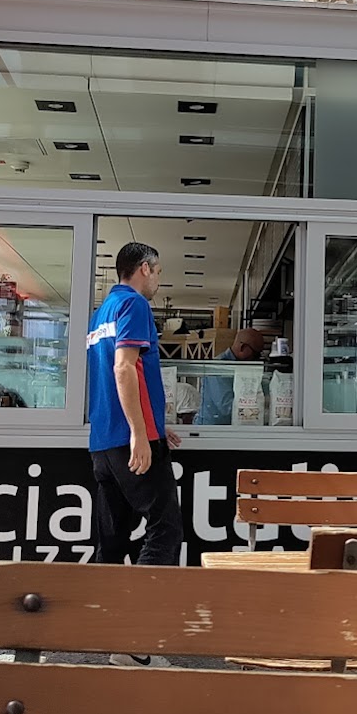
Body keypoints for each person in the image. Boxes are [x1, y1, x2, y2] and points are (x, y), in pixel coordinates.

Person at [86, 241, 185, 663]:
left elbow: (119, 377)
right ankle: (135, 641)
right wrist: (141, 434)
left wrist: (155, 424)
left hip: (103, 443)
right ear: (144, 268)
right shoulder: (135, 305)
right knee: (166, 529)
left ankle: (107, 637)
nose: (159, 279)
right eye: (158, 271)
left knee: (112, 540)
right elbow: (124, 367)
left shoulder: (100, 313)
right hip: (130, 441)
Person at [193, 328, 265, 424]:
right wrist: (258, 410)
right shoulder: (218, 368)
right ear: (242, 347)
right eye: (255, 354)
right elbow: (226, 407)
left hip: (230, 427)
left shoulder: (244, 367)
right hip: (211, 429)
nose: (257, 359)